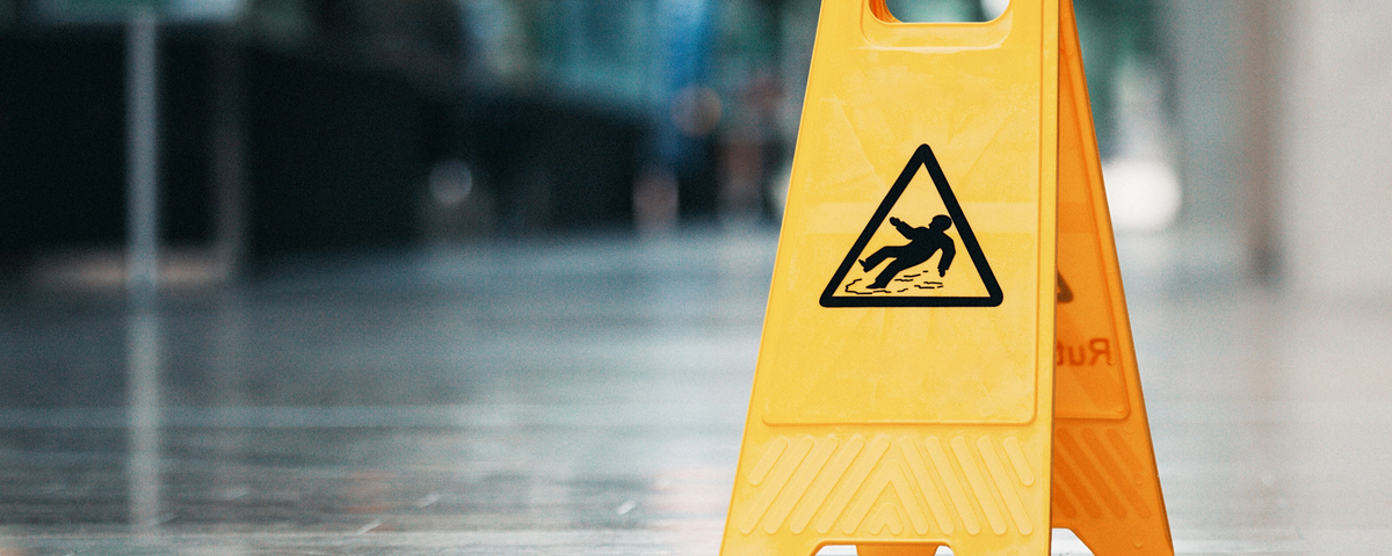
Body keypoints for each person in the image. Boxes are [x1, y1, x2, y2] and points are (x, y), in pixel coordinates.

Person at [859, 215, 955, 289]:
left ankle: (880, 283)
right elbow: (910, 234)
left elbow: (949, 253)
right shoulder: (923, 231)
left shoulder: (944, 240)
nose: (930, 224)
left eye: (933, 222)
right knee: (886, 250)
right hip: (907, 250)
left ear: (940, 226)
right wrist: (898, 224)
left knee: (895, 265)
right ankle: (868, 265)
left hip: (919, 256)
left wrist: (942, 268)